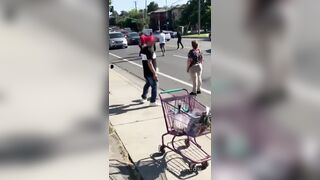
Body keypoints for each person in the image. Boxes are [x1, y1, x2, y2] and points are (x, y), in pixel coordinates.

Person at [141, 36, 159, 106]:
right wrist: (154, 73)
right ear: (148, 42)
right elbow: (150, 63)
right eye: (152, 40)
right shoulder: (149, 50)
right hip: (150, 72)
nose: (154, 41)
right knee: (154, 85)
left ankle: (144, 97)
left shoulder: (144, 49)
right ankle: (152, 101)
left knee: (148, 84)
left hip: (146, 71)